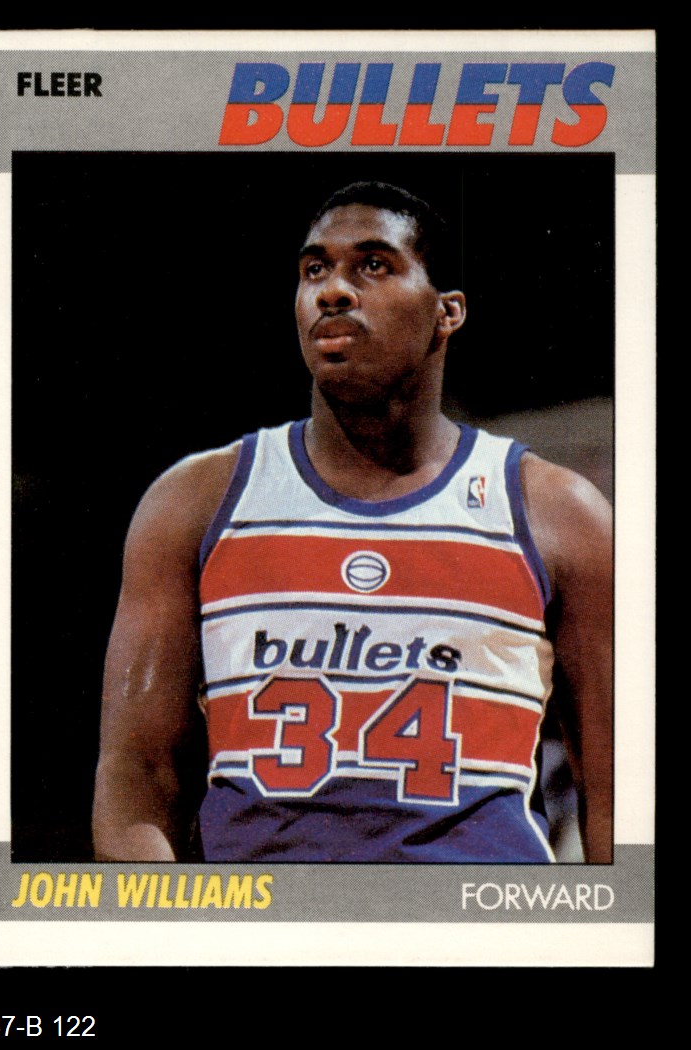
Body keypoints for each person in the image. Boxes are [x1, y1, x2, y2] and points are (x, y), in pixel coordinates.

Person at [92, 181, 612, 863]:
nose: (332, 290)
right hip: (265, 913)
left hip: (473, 914)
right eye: (315, 269)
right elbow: (139, 774)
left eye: (373, 265)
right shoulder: (194, 502)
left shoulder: (559, 514)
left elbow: (616, 788)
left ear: (447, 312)